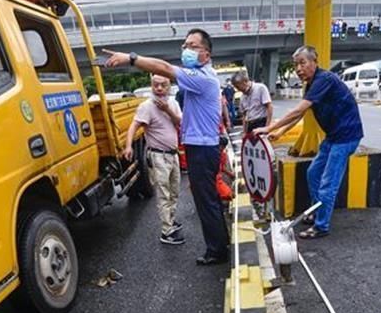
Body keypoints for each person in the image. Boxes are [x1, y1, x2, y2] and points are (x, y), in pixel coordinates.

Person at [103, 29, 228, 265]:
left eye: (192, 46)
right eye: (184, 45)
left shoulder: (202, 78)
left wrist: (131, 58)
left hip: (202, 148)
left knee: (206, 200)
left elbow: (166, 69)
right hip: (200, 147)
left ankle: (217, 250)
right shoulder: (200, 78)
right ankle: (219, 244)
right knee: (207, 198)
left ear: (206, 54)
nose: (185, 50)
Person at [254, 45, 363, 239]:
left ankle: (321, 226)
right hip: (333, 136)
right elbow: (301, 114)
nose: (298, 69)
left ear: (315, 61)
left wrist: (268, 127)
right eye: (296, 65)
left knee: (328, 184)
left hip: (346, 137)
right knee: (313, 173)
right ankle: (316, 211)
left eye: (302, 63)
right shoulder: (312, 84)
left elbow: (297, 110)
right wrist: (279, 133)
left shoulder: (324, 79)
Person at [124, 74, 183, 245]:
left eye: (163, 85)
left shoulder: (173, 103)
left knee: (175, 190)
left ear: (169, 86)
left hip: (173, 154)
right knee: (163, 193)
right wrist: (128, 146)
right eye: (155, 85)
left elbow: (180, 122)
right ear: (151, 86)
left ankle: (170, 219)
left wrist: (167, 110)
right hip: (158, 156)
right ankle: (166, 231)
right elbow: (134, 126)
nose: (158, 88)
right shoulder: (146, 106)